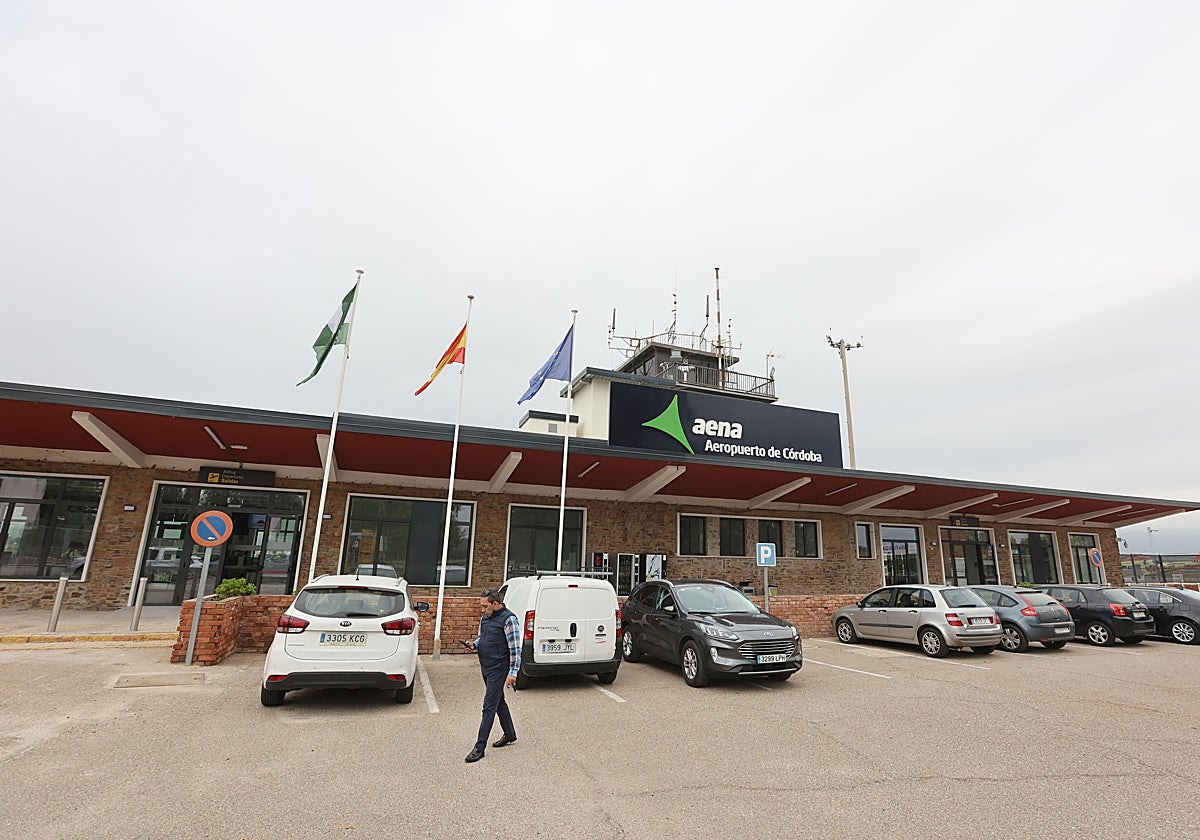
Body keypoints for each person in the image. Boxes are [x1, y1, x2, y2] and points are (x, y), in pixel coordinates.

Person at [463, 588, 521, 763]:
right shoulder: (485, 618)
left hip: (499, 667)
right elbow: (483, 637)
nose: (482, 610)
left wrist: (513, 672)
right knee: (498, 701)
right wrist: (474, 645)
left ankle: (479, 747)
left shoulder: (509, 619)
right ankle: (510, 733)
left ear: (495, 604)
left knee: (489, 706)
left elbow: (516, 649)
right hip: (486, 666)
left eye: (484, 606)